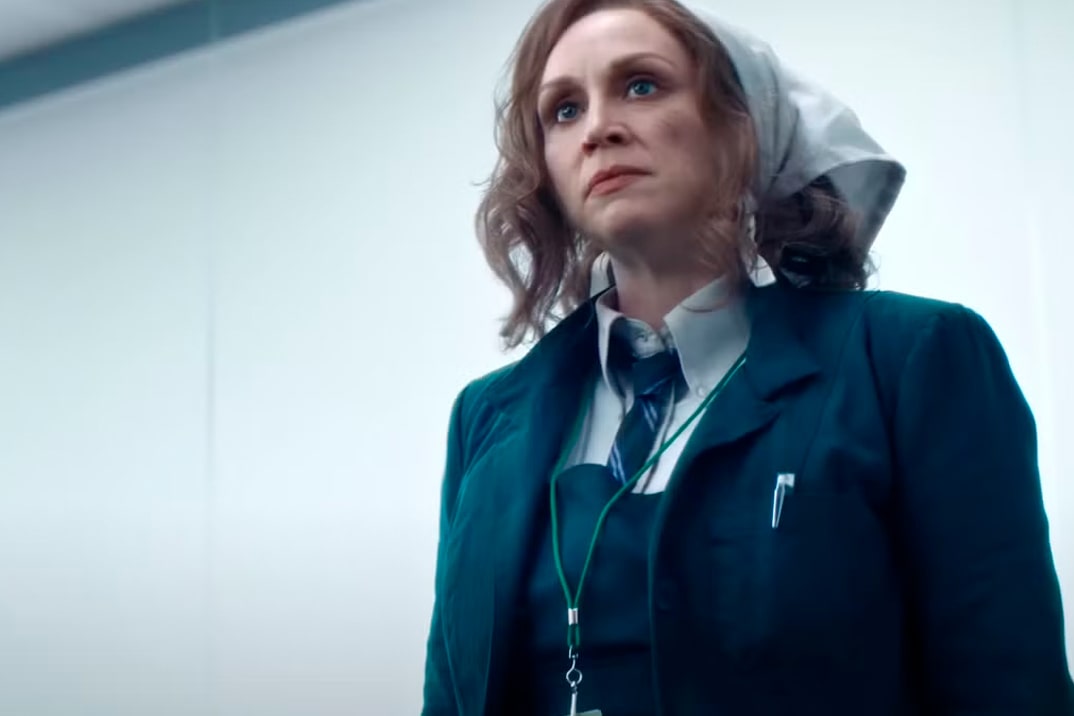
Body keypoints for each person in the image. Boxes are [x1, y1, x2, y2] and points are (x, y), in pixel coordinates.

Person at [422, 0, 1073, 713]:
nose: (598, 129)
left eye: (641, 85)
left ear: (741, 125)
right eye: (565, 110)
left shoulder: (910, 361)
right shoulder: (485, 419)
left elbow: (1010, 689)